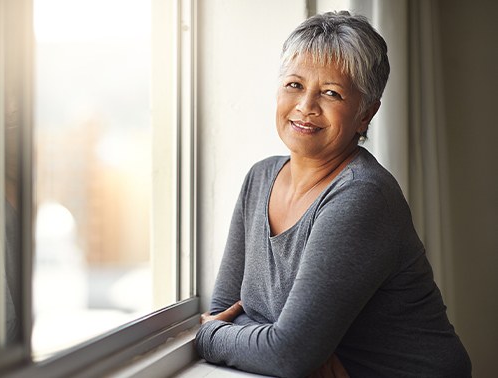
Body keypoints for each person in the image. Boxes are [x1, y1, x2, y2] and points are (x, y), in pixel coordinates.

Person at [195, 11, 471, 378]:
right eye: (294, 84)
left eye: (331, 92)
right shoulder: (259, 179)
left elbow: (284, 354)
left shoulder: (362, 196)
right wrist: (276, 343)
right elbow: (228, 309)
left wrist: (209, 336)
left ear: (365, 114)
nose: (306, 106)